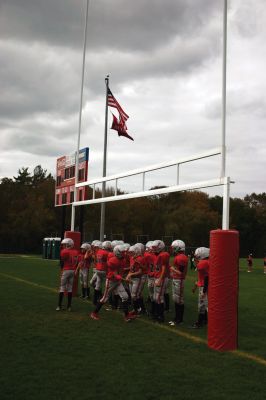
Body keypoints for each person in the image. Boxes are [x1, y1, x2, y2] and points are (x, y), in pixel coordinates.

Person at [90, 245, 136, 322]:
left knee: (125, 296)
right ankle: (94, 313)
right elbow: (115, 274)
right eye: (122, 252)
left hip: (118, 281)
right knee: (105, 298)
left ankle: (126, 315)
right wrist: (124, 279)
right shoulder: (113, 261)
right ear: (118, 253)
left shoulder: (123, 260)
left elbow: (121, 270)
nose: (124, 253)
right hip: (111, 281)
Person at [56, 238, 79, 311]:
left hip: (66, 270)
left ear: (68, 244)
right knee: (69, 288)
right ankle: (69, 306)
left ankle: (59, 306)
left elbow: (63, 261)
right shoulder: (76, 251)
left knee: (62, 288)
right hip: (73, 270)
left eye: (65, 244)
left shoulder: (65, 251)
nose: (64, 246)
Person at [169, 239, 188, 326]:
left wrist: (171, 268)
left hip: (179, 280)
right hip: (176, 279)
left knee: (179, 300)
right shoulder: (179, 256)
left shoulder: (181, 257)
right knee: (176, 299)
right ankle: (177, 318)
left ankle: (179, 320)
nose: (172, 249)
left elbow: (180, 272)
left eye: (174, 248)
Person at [191, 247, 210, 328]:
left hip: (204, 286)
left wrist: (204, 291)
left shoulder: (203, 263)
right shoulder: (207, 262)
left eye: (197, 255)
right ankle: (205, 320)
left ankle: (199, 322)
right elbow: (201, 277)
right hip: (206, 286)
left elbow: (206, 278)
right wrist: (195, 287)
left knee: (202, 305)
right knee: (205, 305)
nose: (196, 257)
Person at [152, 240, 170, 323]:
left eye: (155, 248)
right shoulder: (159, 254)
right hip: (158, 277)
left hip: (161, 278)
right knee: (156, 297)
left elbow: (164, 268)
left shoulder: (164, 254)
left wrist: (159, 279)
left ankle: (161, 317)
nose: (154, 249)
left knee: (159, 298)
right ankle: (156, 315)